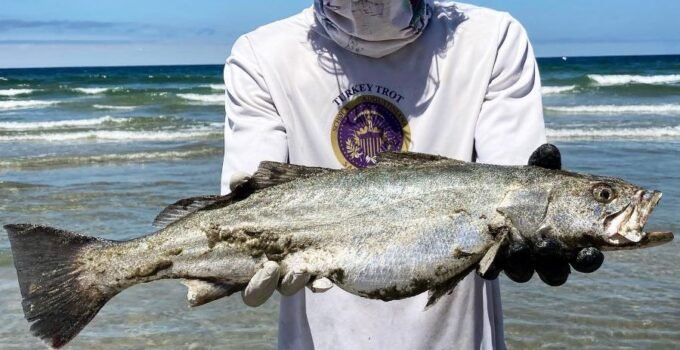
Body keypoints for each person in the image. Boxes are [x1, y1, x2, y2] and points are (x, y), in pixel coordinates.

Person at [221, 1, 603, 349]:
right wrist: (238, 258)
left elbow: (515, 189)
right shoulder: (263, 55)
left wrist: (543, 228)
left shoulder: (491, 40)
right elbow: (247, 200)